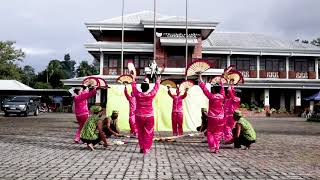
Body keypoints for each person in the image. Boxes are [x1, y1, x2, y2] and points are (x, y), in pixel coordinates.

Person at [131, 76, 161, 154]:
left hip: (139, 116)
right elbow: (156, 88)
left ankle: (141, 147)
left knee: (140, 132)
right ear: (148, 88)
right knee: (148, 132)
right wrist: (157, 80)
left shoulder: (137, 94)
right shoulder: (151, 95)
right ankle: (146, 148)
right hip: (149, 116)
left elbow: (133, 87)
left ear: (141, 88)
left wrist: (133, 79)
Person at [198, 73, 225, 153]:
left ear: (213, 90)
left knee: (210, 132)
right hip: (221, 118)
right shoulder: (222, 96)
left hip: (213, 118)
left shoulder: (211, 96)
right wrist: (221, 83)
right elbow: (222, 89)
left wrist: (200, 77)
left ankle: (212, 146)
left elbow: (204, 88)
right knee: (218, 133)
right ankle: (217, 148)